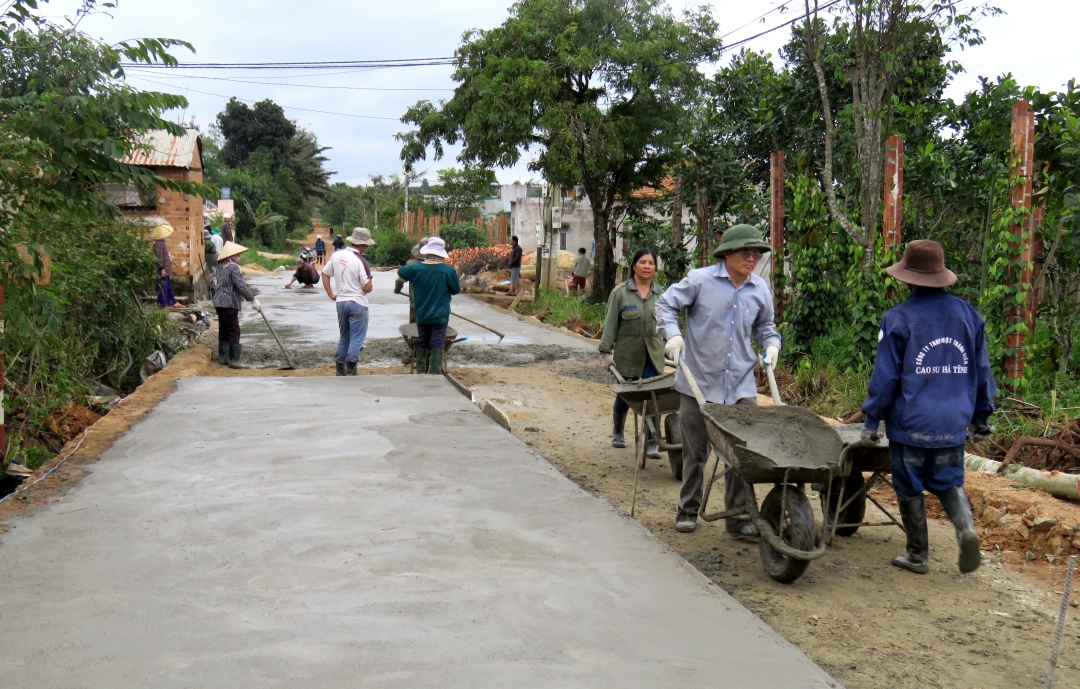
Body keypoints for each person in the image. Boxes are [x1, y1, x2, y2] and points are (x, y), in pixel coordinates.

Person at [861, 239, 995, 575]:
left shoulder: (898, 318)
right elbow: (981, 370)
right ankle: (966, 530)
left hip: (911, 424)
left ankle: (918, 556)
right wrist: (982, 416)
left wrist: (871, 419)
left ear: (907, 278)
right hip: (953, 422)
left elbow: (887, 377)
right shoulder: (969, 316)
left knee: (908, 486)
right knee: (949, 480)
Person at [656, 224, 780, 538]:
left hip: (740, 385)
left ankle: (737, 517)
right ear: (726, 253)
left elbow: (766, 326)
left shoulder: (760, 289)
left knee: (743, 456)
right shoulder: (700, 281)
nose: (752, 258)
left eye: (756, 253)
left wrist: (771, 345)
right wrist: (672, 336)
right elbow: (665, 304)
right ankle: (688, 509)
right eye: (745, 252)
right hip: (698, 382)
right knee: (696, 454)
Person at [599, 248, 665, 455]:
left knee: (653, 397)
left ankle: (652, 441)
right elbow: (610, 324)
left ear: (655, 268)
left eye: (651, 263)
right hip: (627, 355)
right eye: (643, 262)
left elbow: (667, 324)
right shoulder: (620, 293)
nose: (647, 266)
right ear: (634, 266)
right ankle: (618, 430)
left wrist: (675, 344)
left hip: (652, 355)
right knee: (626, 395)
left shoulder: (662, 294)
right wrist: (605, 352)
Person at [397, 236, 461, 375]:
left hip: (422, 314)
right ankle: (435, 374)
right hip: (440, 316)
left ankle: (421, 372)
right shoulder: (447, 271)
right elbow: (456, 290)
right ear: (441, 254)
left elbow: (401, 272)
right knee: (438, 343)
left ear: (426, 252)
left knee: (423, 341)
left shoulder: (415, 269)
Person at [322, 227, 375, 376]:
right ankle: (351, 367)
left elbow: (325, 274)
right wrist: (370, 281)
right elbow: (367, 288)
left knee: (344, 336)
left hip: (341, 302)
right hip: (357, 302)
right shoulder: (361, 261)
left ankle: (339, 367)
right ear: (363, 245)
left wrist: (331, 294)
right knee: (357, 338)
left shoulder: (337, 255)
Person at [212, 240, 261, 368]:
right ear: (232, 256)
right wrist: (252, 299)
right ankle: (234, 360)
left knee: (224, 328)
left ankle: (223, 357)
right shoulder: (233, 267)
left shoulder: (220, 267)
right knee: (234, 330)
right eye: (237, 255)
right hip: (229, 302)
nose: (239, 257)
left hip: (219, 301)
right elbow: (240, 286)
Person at [394, 236, 430, 323]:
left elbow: (399, 280)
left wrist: (397, 289)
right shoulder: (438, 266)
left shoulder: (411, 266)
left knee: (414, 327)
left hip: (416, 302)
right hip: (433, 304)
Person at [148, 219, 182, 309]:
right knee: (163, 287)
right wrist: (162, 268)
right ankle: (162, 305)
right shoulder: (159, 243)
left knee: (168, 286)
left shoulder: (161, 243)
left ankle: (173, 301)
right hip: (162, 270)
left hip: (165, 269)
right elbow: (159, 257)